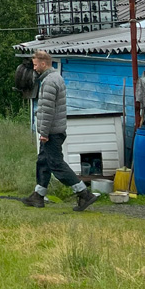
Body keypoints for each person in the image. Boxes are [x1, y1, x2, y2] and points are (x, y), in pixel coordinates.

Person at [22, 50, 97, 212]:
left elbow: (48, 110)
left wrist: (44, 133)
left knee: (56, 164)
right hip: (55, 130)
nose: (34, 68)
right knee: (43, 161)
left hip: (51, 132)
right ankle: (38, 196)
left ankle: (84, 193)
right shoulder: (56, 78)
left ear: (43, 63)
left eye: (35, 65)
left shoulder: (49, 82)